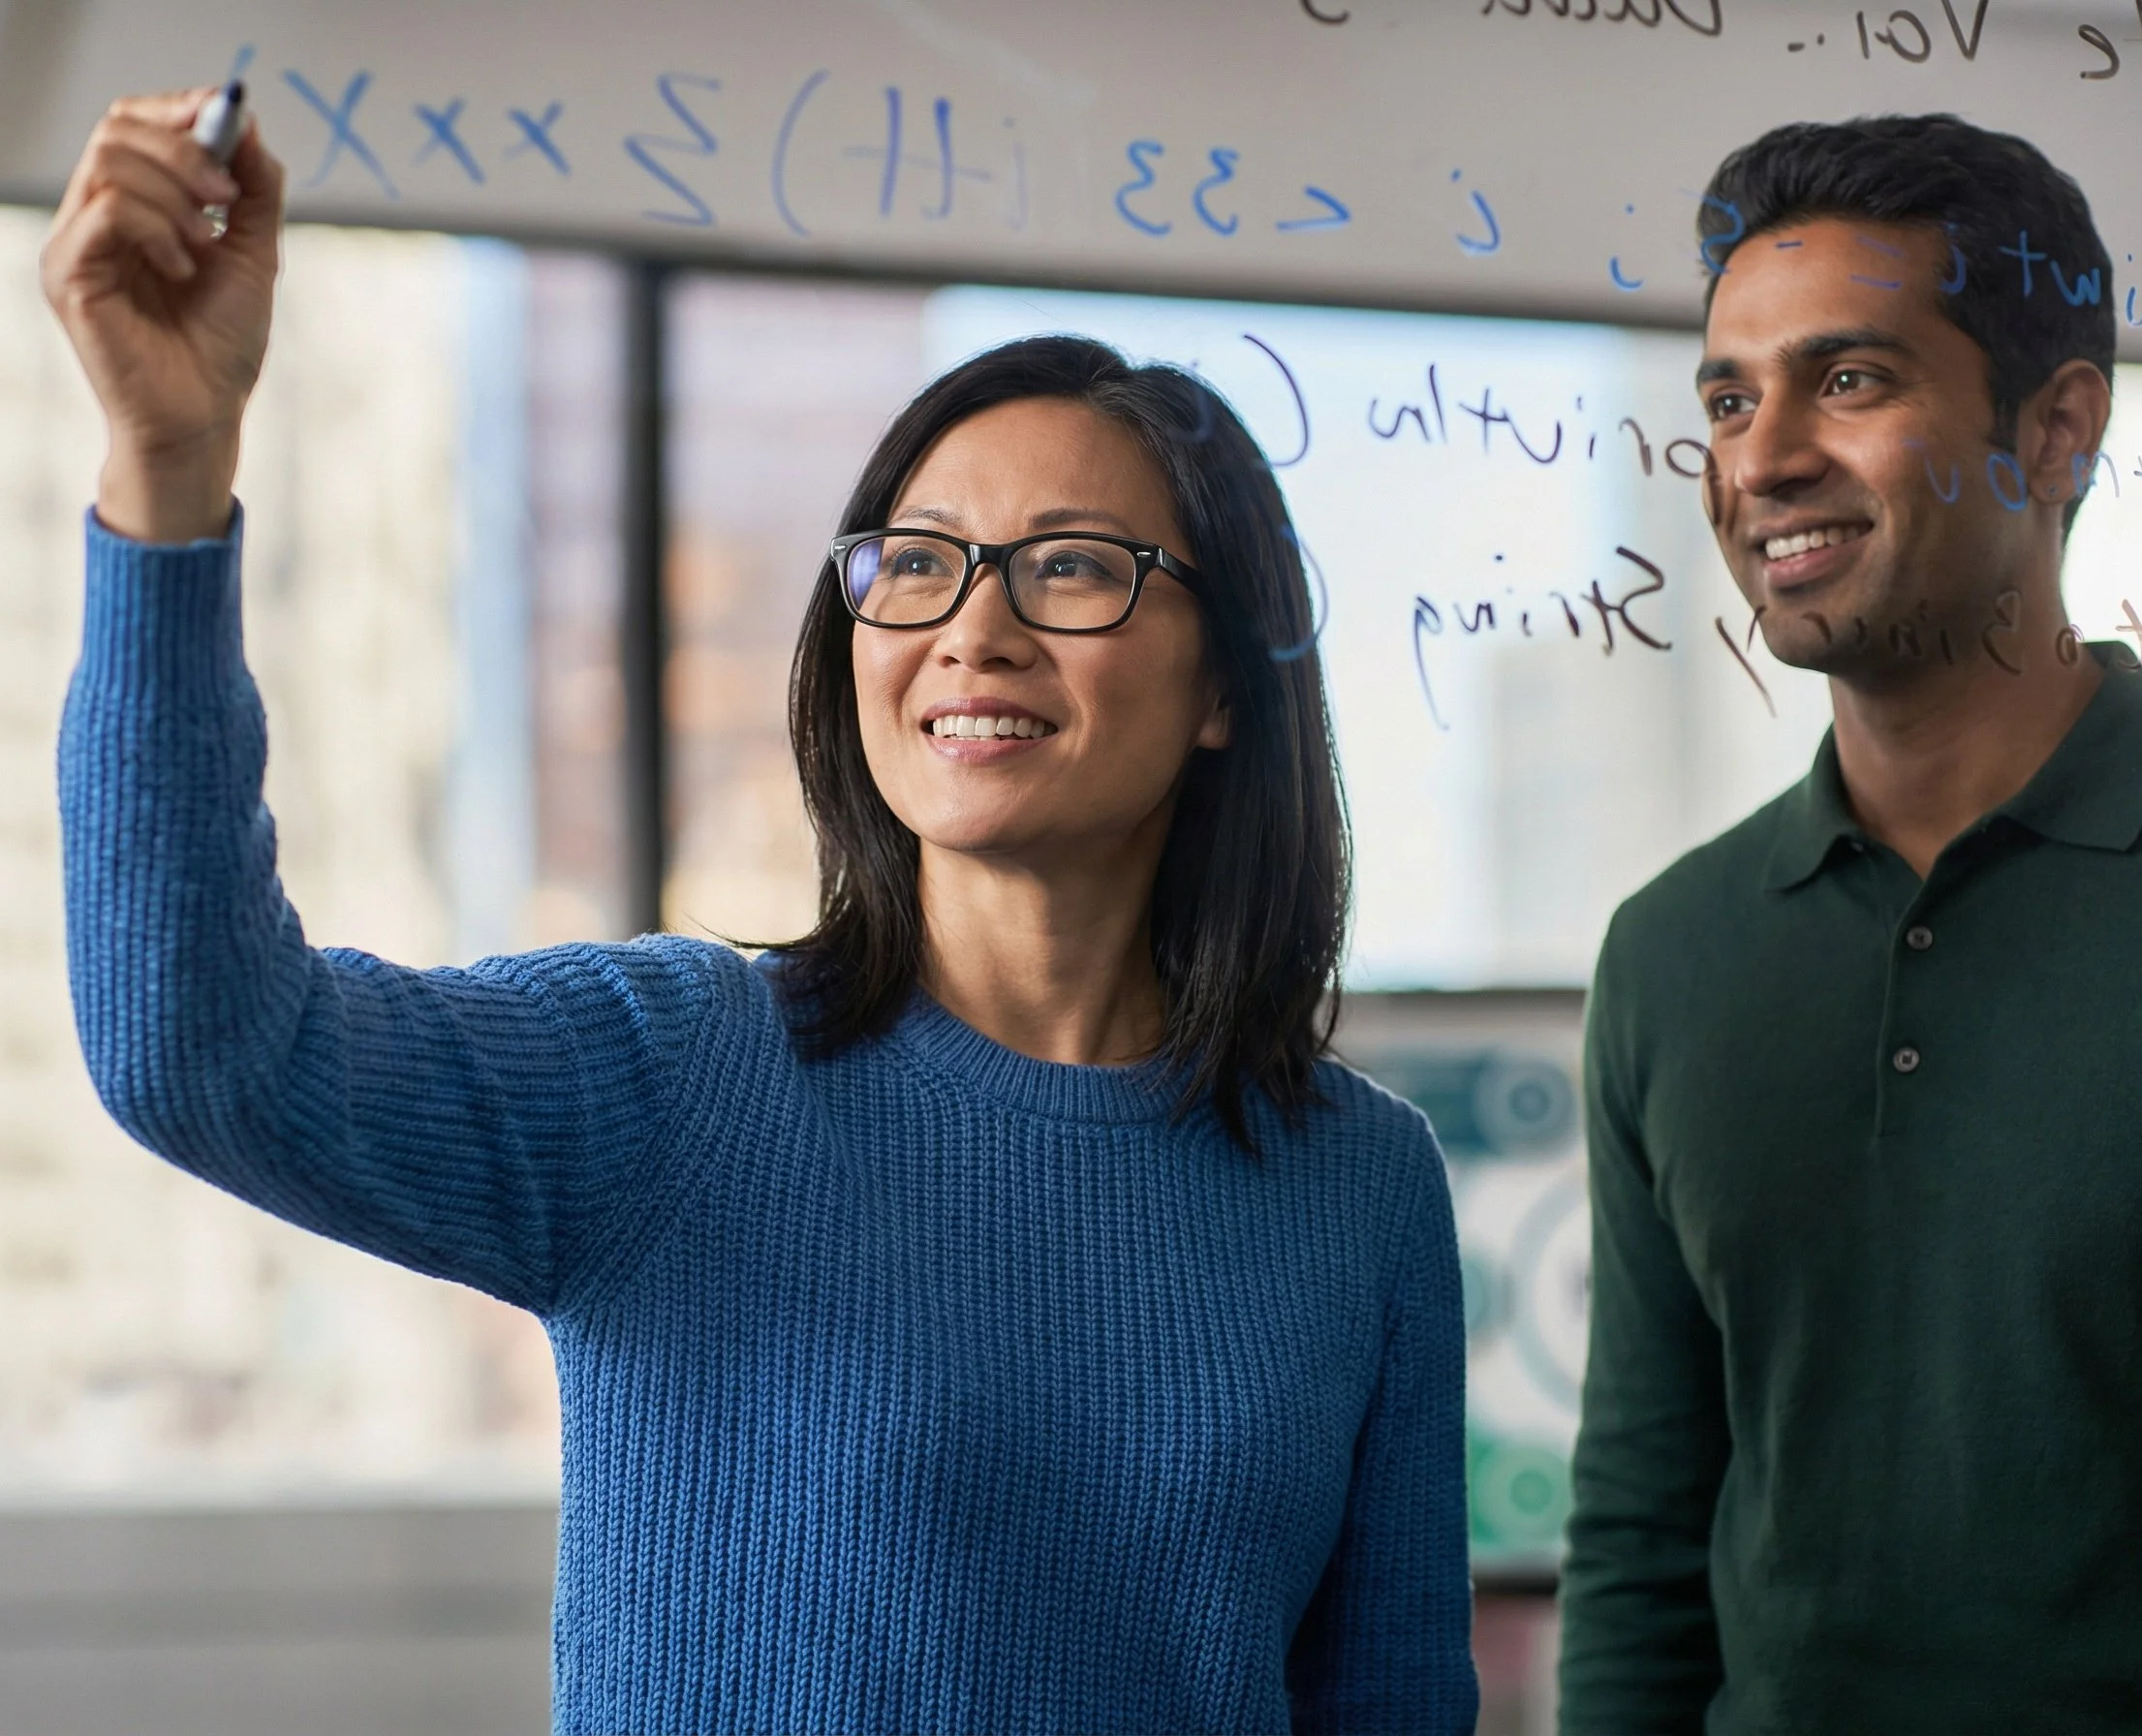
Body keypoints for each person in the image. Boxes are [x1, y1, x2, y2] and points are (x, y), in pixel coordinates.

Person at [44, 89, 1478, 1734]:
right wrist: (169, 468)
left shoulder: (1362, 1186)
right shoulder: (678, 1071)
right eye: (916, 563)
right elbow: (199, 1055)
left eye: (1073, 566)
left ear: (1226, 683)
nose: (974, 629)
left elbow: (1391, 1708)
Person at [1558, 114, 2142, 1733]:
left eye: (1848, 380)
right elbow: (1641, 1535)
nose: (1762, 459)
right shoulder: (1672, 955)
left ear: (2056, 432)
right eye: (1727, 399)